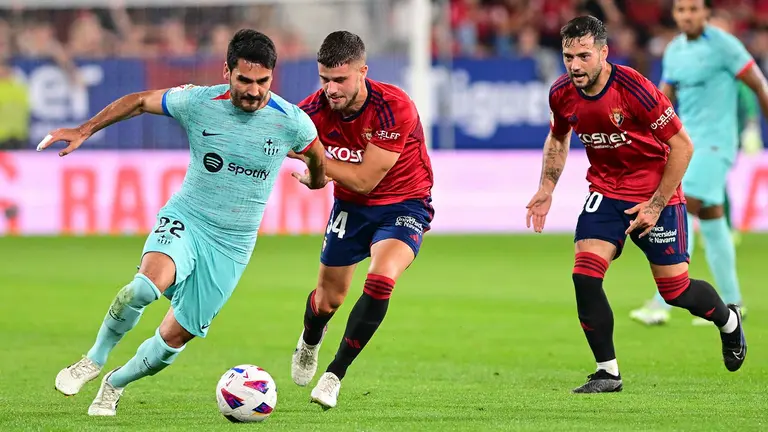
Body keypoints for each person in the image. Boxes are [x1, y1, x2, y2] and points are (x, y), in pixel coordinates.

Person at [42, 29, 327, 416]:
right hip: (188, 218)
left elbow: (317, 157)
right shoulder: (199, 101)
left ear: (272, 78)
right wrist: (84, 129)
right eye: (244, 80)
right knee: (142, 289)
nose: (253, 91)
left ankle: (115, 384)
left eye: (262, 82)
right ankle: (93, 360)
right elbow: (140, 101)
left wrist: (315, 178)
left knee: (174, 339)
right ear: (227, 71)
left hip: (232, 246)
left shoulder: (291, 121)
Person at [526, 15, 746, 393]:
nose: (575, 66)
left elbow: (682, 146)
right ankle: (607, 372)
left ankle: (729, 321)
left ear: (603, 52)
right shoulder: (561, 92)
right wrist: (547, 187)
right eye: (568, 57)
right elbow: (558, 138)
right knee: (585, 275)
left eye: (583, 56)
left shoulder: (635, 89)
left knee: (675, 292)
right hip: (606, 191)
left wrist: (656, 204)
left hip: (654, 193)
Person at [288, 30, 434, 409]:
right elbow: (280, 139)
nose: (331, 89)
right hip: (350, 210)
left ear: (362, 72)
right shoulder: (312, 112)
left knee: (382, 278)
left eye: (339, 80)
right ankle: (310, 338)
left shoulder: (394, 107)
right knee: (327, 302)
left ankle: (335, 373)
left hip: (405, 204)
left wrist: (318, 164)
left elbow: (367, 179)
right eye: (324, 80)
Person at [630, 0, 768, 326]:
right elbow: (663, 98)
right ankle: (733, 301)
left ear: (706, 13)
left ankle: (662, 301)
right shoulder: (674, 50)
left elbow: (759, 84)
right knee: (711, 215)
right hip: (688, 144)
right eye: (681, 10)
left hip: (718, 142)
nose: (687, 16)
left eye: (693, 9)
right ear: (675, 15)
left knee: (682, 207)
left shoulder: (725, 46)